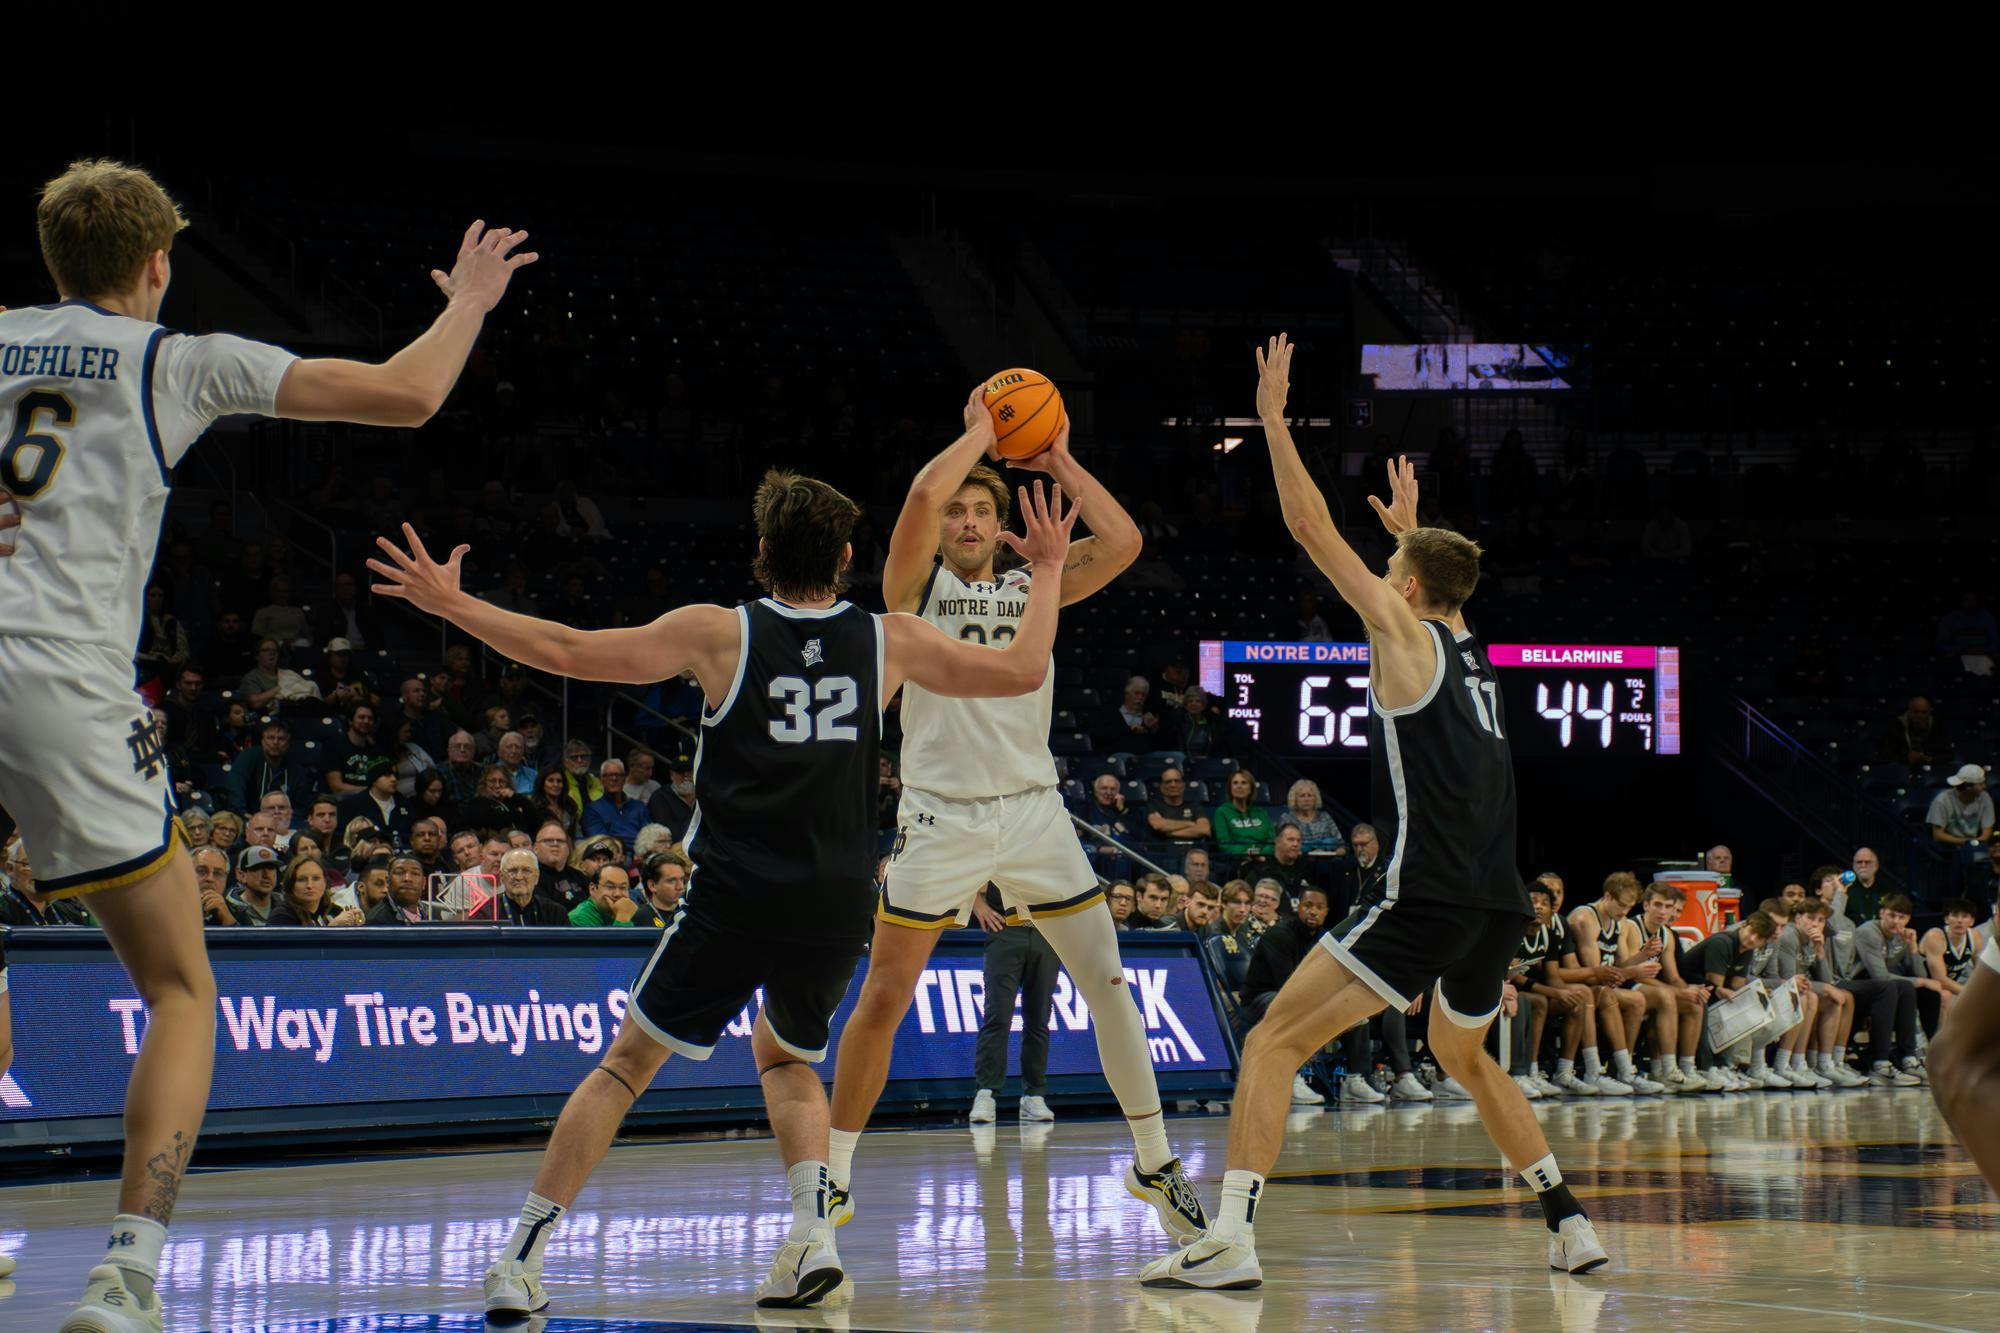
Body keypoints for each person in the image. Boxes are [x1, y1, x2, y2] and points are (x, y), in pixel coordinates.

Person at [0, 170, 534, 1329]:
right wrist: (471, 303)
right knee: (182, 984)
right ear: (157, 266)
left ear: (50, 262)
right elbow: (408, 392)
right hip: (60, 685)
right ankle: (126, 1272)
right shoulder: (175, 359)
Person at [368, 466, 1076, 1315]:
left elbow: (567, 649)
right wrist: (1053, 570)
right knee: (787, 1058)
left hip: (736, 892)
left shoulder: (719, 633)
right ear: (849, 557)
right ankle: (813, 1240)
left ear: (763, 555)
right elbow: (1028, 667)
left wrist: (457, 606)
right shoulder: (891, 637)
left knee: (627, 1065)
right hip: (835, 898)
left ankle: (520, 1258)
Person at [1146, 337, 1607, 1292]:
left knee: (1271, 1037)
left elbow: (1314, 530)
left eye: (1391, 565)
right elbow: (1446, 576)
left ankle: (1230, 1235)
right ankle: (1567, 1217)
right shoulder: (1475, 650)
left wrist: (1272, 421)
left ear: (1402, 590)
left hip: (1428, 889)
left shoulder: (1401, 631)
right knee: (1461, 1050)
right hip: (1498, 900)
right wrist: (1413, 532)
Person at [828, 392, 1208, 1261]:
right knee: (884, 995)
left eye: (981, 508)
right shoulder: (912, 589)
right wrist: (978, 437)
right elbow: (920, 500)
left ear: (1002, 526)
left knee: (1109, 984)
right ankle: (833, 1182)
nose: (964, 517)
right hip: (938, 814)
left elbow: (1125, 544)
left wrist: (1060, 458)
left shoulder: (1036, 580)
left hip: (1035, 811)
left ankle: (1154, 1163)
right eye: (959, 507)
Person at [968, 887, 1061, 1124]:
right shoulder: (998, 849)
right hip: (1006, 930)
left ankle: (1034, 1095)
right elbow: (969, 879)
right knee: (997, 1015)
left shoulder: (1053, 852)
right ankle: (986, 1092)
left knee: (1039, 1018)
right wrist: (979, 906)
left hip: (1046, 933)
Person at [1567, 873, 1666, 1094]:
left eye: (1630, 907)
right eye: (1621, 905)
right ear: (1607, 896)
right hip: (1580, 982)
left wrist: (1643, 955)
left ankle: (1624, 1069)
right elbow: (1596, 973)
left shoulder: (1619, 921)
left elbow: (1621, 963)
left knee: (1638, 1000)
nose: (1625, 912)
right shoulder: (1585, 919)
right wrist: (1632, 971)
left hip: (1604, 983)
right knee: (1617, 995)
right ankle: (1597, 1071)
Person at [1237, 885, 1333, 1106]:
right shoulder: (1280, 934)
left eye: (1319, 907)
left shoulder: (1325, 940)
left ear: (1326, 911)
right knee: (1296, 1007)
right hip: (1260, 999)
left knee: (1354, 1011)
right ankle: (1292, 1076)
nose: (1313, 912)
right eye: (1308, 905)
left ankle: (1356, 1078)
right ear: (1298, 907)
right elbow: (1288, 986)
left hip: (1299, 999)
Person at [1919, 898, 1983, 1032]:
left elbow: (1981, 972)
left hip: (1948, 985)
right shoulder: (1935, 936)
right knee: (1946, 996)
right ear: (1947, 919)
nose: (1959, 921)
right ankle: (1940, 1044)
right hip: (1922, 984)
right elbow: (1940, 980)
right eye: (1954, 915)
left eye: (1964, 916)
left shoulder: (1975, 937)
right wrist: (1970, 993)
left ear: (1971, 921)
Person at [267, 855, 363, 928]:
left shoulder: (334, 911)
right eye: (302, 879)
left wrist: (357, 925)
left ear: (325, 882)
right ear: (291, 884)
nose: (310, 885)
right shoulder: (281, 916)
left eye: (316, 878)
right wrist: (332, 929)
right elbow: (294, 952)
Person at [1212, 769, 1276, 859]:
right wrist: (1245, 853)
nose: (1239, 786)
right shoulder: (1222, 812)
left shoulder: (1261, 813)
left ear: (1251, 789)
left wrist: (1263, 854)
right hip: (1236, 861)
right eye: (1235, 783)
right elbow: (1224, 844)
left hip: (1264, 860)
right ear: (1230, 789)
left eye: (1244, 783)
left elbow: (1271, 840)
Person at [582, 758, 649, 844]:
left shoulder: (639, 806)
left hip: (642, 853)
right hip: (612, 854)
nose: (614, 778)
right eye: (609, 775)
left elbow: (649, 836)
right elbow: (600, 841)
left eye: (618, 775)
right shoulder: (592, 810)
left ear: (624, 779)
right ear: (602, 780)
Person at [1928, 765, 1994, 848]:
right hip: (1949, 847)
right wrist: (1967, 843)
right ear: (1968, 786)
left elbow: (1987, 831)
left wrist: (1974, 845)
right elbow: (1938, 835)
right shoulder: (1941, 800)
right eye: (1981, 784)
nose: (1984, 786)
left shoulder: (1985, 797)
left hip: (1977, 846)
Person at [1277, 780, 1345, 856]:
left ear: (1315, 798)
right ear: (1295, 799)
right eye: (1302, 796)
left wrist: (1333, 853)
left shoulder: (1325, 817)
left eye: (1309, 795)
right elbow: (1280, 847)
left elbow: (1341, 845)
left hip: (1327, 862)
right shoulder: (1286, 819)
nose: (1306, 799)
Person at [568, 862, 641, 927]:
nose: (617, 894)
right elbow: (619, 942)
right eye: (610, 887)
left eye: (623, 887)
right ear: (593, 889)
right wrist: (623, 918)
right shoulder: (579, 919)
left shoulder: (629, 910)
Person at [634, 848, 690, 928]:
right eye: (672, 881)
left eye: (682, 879)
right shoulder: (641, 916)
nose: (680, 887)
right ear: (652, 885)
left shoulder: (688, 914)